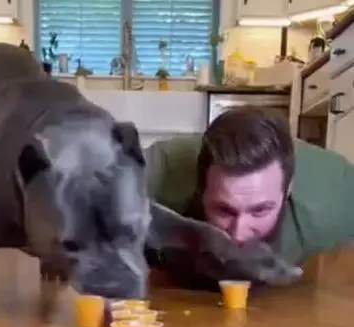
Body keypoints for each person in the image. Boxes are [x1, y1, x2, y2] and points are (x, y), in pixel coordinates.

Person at [143, 106, 354, 289]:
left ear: (288, 189)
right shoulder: (157, 171)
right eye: (224, 210)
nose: (239, 233)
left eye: (260, 210)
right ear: (201, 188)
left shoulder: (335, 202)